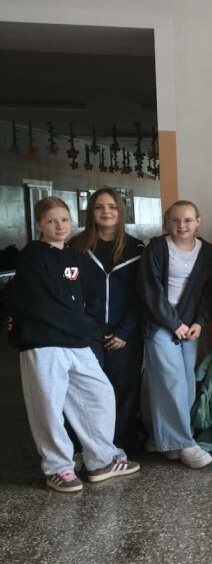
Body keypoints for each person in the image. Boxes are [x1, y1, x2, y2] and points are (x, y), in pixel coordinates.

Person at [11, 197, 140, 492]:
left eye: (65, 220)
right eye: (51, 221)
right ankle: (59, 468)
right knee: (48, 406)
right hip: (43, 343)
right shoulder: (31, 257)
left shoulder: (75, 256)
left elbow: (89, 298)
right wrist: (83, 326)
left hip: (78, 342)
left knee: (100, 394)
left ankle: (100, 460)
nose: (59, 226)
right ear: (39, 224)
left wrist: (88, 327)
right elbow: (40, 304)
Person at [139, 200, 212, 469]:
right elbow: (150, 291)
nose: (181, 225)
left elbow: (206, 292)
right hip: (160, 324)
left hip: (188, 326)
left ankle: (165, 439)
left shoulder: (207, 252)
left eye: (187, 220)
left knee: (187, 384)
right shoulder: (157, 249)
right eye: (175, 220)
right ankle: (184, 443)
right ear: (166, 223)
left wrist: (199, 322)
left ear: (198, 222)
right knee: (171, 382)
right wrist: (173, 323)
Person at [71, 188, 145, 452]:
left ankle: (121, 445)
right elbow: (70, 293)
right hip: (88, 332)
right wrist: (86, 328)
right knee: (88, 390)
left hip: (125, 333)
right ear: (91, 211)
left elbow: (142, 295)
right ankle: (89, 447)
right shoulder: (77, 247)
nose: (106, 212)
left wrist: (124, 332)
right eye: (99, 207)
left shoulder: (136, 248)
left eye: (112, 207)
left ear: (120, 211)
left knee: (124, 388)